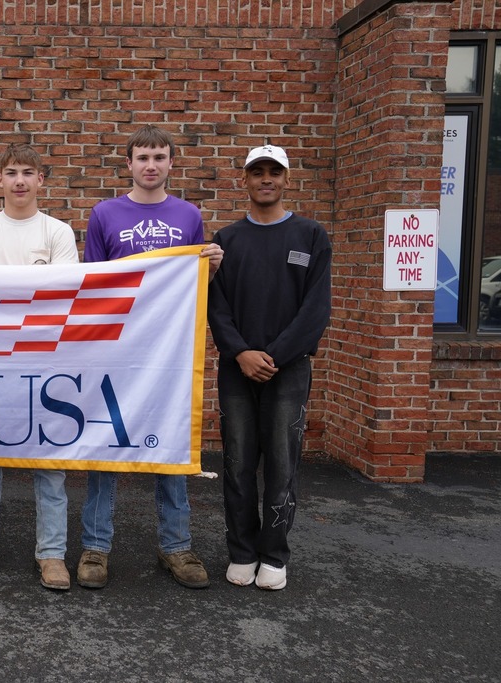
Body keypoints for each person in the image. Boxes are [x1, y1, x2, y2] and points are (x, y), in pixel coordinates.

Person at [77, 125, 224, 590]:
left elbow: (192, 290)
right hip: (116, 350)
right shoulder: (104, 214)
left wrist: (210, 270)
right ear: (129, 164)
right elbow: (93, 285)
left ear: (171, 163)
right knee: (104, 446)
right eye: (143, 157)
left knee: (171, 446)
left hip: (170, 352)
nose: (151, 165)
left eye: (159, 157)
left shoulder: (188, 215)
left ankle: (176, 546)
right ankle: (95, 547)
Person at [0, 143, 80, 591]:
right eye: (12, 172)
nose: (20, 180)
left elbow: (60, 294)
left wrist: (8, 291)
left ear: (42, 180)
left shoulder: (58, 232)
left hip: (46, 361)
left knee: (50, 462)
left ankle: (52, 555)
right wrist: (24, 291)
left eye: (28, 172)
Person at [207, 144, 331, 591]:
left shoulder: (311, 236)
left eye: (273, 172)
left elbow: (316, 310)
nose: (265, 179)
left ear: (286, 178)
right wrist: (240, 352)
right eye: (256, 172)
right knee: (238, 462)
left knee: (282, 463)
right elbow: (215, 307)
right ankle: (241, 551)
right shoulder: (225, 241)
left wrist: (274, 356)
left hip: (289, 369)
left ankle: (274, 555)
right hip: (236, 368)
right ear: (244, 180)